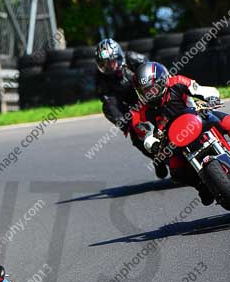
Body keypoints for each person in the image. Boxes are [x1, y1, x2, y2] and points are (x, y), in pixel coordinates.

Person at [131, 61, 222, 205]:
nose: (150, 93)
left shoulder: (178, 82)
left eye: (153, 88)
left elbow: (202, 90)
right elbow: (147, 133)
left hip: (198, 118)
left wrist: (211, 98)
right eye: (146, 91)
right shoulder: (143, 111)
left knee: (227, 122)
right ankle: (202, 186)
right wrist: (152, 144)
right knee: (176, 171)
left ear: (162, 81)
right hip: (174, 138)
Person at [95, 38, 167, 178]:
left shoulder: (133, 58)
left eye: (111, 62)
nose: (109, 67)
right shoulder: (101, 78)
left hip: (149, 95)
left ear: (119, 56)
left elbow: (154, 70)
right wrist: (125, 122)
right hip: (131, 107)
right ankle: (157, 158)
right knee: (135, 136)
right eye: (105, 64)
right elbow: (107, 99)